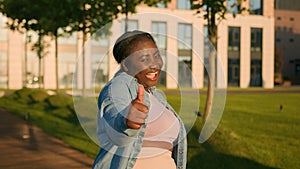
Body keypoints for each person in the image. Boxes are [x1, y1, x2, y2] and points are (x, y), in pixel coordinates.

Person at [92, 30, 187, 169]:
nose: (154, 64)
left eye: (156, 56)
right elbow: (113, 112)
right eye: (144, 59)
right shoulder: (119, 85)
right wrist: (125, 120)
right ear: (125, 64)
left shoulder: (156, 96)